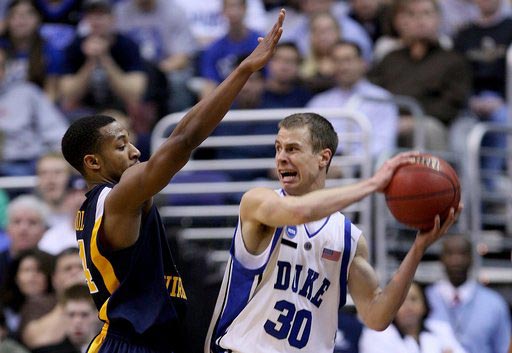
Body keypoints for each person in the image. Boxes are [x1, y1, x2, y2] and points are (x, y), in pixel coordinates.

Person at [59, 9, 285, 353]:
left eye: (131, 141)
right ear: (93, 162)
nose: (135, 152)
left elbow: (178, 138)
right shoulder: (117, 199)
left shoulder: (104, 202)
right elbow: (182, 142)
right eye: (121, 146)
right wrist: (243, 72)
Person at [204, 113, 461, 353]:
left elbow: (377, 316)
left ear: (323, 158)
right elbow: (299, 212)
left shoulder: (349, 239)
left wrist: (418, 249)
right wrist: (372, 184)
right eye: (278, 148)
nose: (281, 157)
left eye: (292, 148)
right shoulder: (258, 203)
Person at [306, 40, 398, 159]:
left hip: (363, 170)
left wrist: (345, 166)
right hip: (322, 167)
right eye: (337, 61)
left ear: (363, 63)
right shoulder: (318, 102)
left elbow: (383, 145)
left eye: (348, 60)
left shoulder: (381, 99)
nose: (343, 67)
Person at [425, 234, 511, 353]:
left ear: (471, 258)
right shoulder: (425, 299)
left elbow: (504, 348)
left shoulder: (494, 304)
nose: (456, 261)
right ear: (441, 258)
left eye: (462, 254)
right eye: (450, 253)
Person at [359, 281, 467, 353]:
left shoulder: (441, 329)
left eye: (414, 299)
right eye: (401, 301)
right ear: (390, 306)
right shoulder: (375, 335)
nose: (408, 307)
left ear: (424, 305)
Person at [21, 247, 86, 350]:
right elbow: (36, 340)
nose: (75, 273)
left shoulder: (104, 301)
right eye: (68, 269)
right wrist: (69, 296)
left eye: (81, 268)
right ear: (55, 278)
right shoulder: (39, 303)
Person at [29, 284, 101, 353]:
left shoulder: (109, 349)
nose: (77, 321)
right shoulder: (47, 351)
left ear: (97, 315)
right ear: (63, 315)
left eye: (84, 315)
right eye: (71, 315)